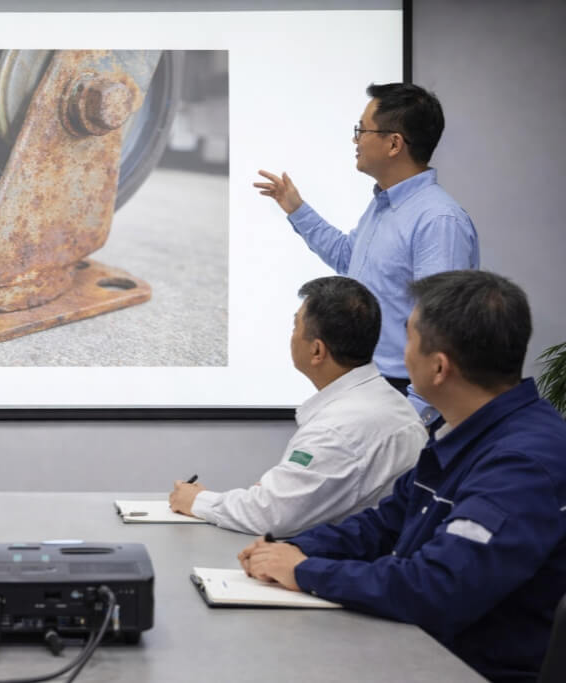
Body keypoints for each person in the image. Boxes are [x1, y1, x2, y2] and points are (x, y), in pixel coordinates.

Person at [239, 270, 566, 683]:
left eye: (409, 338)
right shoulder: (461, 433)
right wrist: (289, 549)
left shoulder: (521, 463)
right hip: (419, 648)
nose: (401, 353)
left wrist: (304, 571)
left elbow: (436, 588)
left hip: (463, 668)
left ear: (440, 367)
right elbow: (385, 523)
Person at [254, 82, 479, 422]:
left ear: (393, 143)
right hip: (373, 387)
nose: (355, 140)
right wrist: (296, 209)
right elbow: (349, 257)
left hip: (406, 397)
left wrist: (414, 417)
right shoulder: (383, 206)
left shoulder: (438, 220)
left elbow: (443, 329)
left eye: (362, 129)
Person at [169, 276, 426, 537]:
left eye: (295, 325)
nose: (292, 336)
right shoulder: (389, 403)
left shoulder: (338, 428)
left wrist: (197, 501)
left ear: (317, 351)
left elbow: (271, 516)